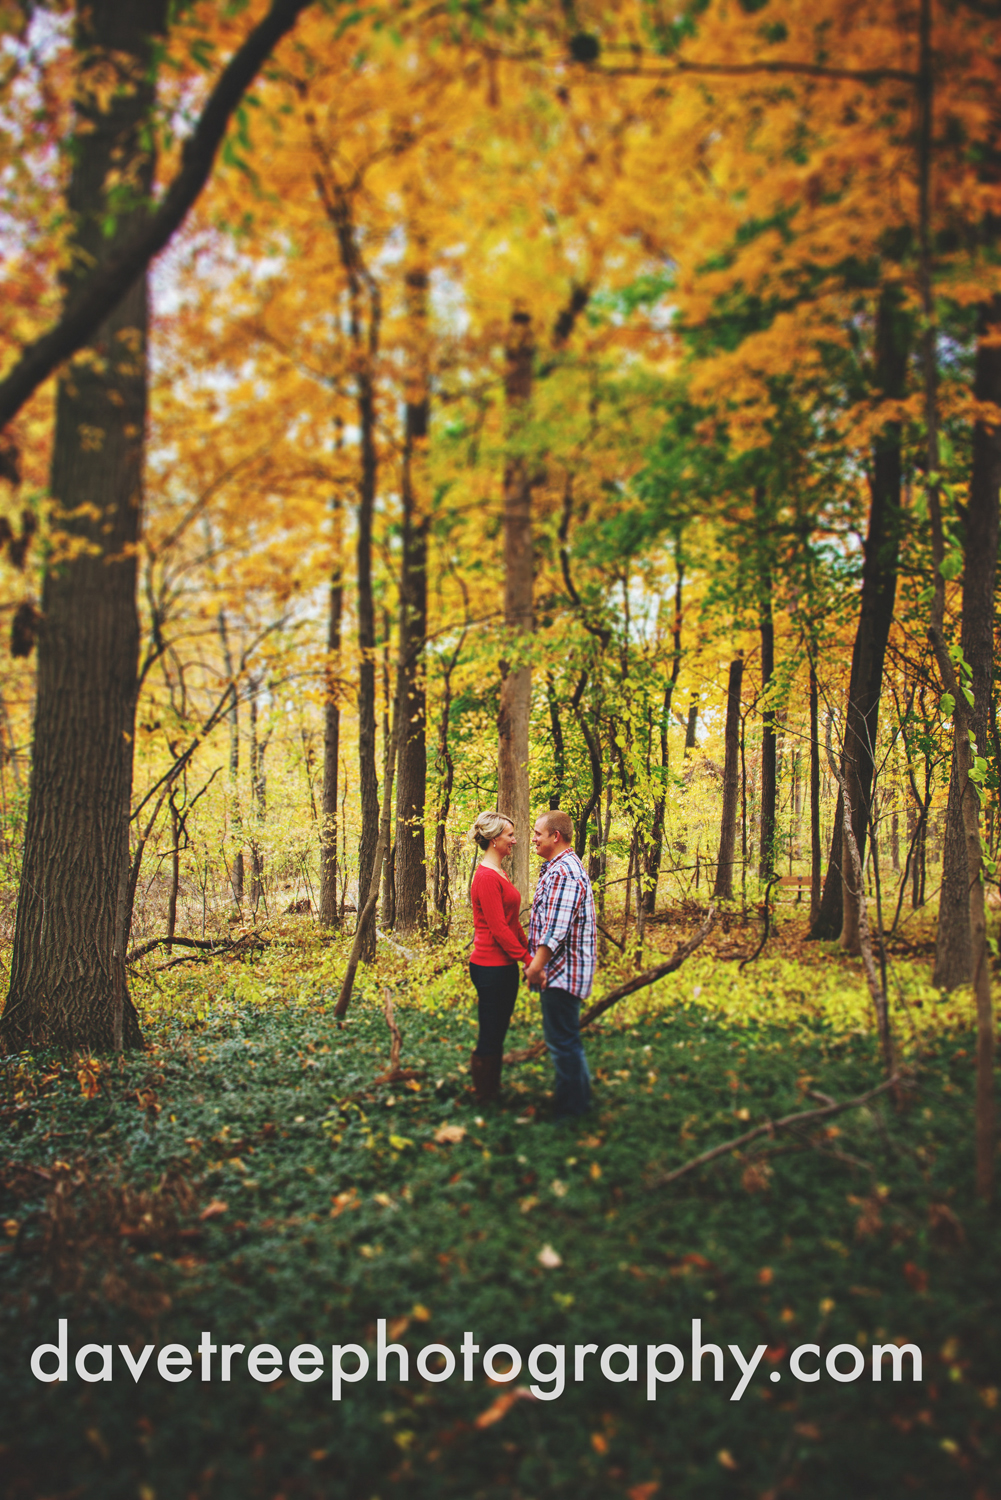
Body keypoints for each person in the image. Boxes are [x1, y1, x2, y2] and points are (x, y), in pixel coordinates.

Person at [526, 809, 597, 1121]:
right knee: (567, 1039)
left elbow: (556, 929)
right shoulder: (560, 868)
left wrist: (536, 966)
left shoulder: (564, 872)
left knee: (563, 1042)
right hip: (563, 971)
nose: (533, 839)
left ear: (555, 836)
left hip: (562, 973)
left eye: (538, 833)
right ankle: (579, 1101)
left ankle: (571, 1112)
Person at [468, 810, 531, 1103]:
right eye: (509, 836)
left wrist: (528, 952)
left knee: (498, 1028)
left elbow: (513, 922)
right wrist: (528, 960)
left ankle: (490, 1090)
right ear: (494, 840)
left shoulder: (499, 873)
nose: (514, 841)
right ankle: (485, 1095)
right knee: (491, 1031)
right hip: (490, 967)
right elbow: (498, 929)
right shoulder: (485, 878)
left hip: (503, 967)